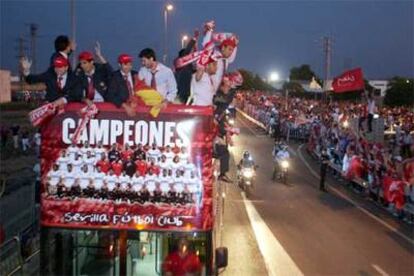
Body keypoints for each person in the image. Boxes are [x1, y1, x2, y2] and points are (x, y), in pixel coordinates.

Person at [174, 30, 199, 103]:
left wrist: (195, 47)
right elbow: (188, 50)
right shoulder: (179, 63)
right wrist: (194, 39)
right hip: (181, 92)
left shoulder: (189, 67)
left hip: (188, 93)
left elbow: (196, 57)